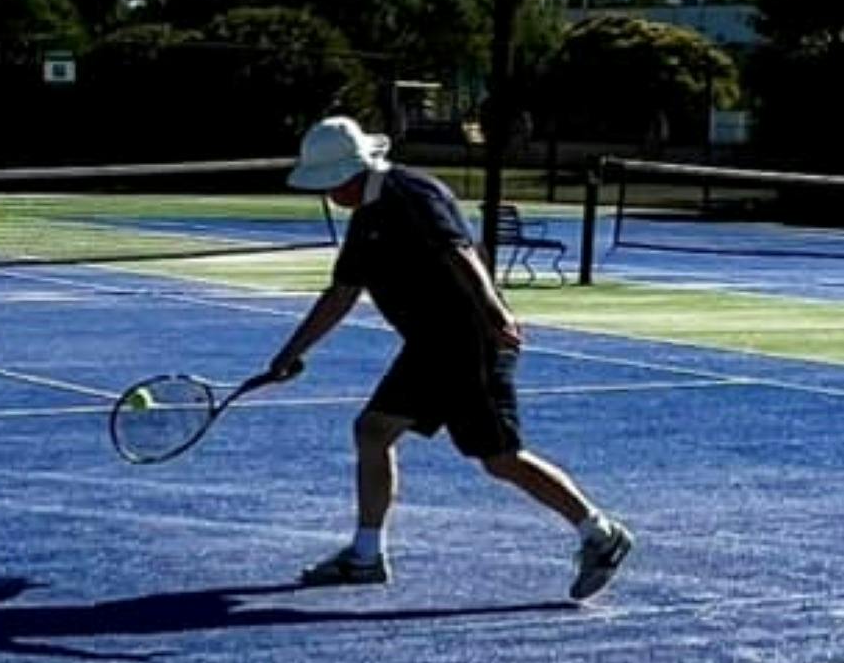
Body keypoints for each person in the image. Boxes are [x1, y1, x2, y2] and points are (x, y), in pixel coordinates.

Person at [265, 115, 634, 601]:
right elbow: (341, 294)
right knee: (373, 431)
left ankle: (601, 535)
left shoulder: (412, 194)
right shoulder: (365, 219)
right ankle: (366, 555)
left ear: (352, 173)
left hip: (470, 342)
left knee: (500, 459)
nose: (327, 194)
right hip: (430, 347)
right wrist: (289, 354)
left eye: (329, 183)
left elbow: (461, 253)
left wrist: (494, 311)